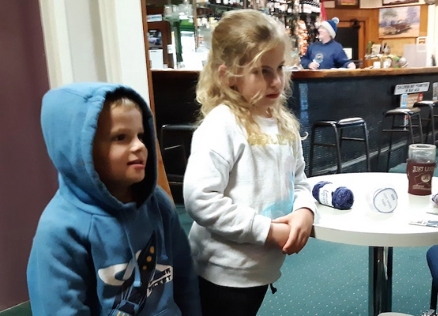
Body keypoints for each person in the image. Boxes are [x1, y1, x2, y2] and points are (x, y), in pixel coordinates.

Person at [183, 10, 317, 316]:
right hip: (220, 274)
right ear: (228, 75)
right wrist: (267, 231)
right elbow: (200, 199)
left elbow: (299, 180)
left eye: (280, 67)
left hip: (259, 269)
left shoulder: (283, 124)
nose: (277, 81)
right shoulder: (222, 125)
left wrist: (304, 211)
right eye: (262, 71)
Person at [27, 83, 202, 315]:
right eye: (121, 137)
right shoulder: (59, 229)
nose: (139, 146)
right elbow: (61, 309)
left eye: (140, 135)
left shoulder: (157, 203)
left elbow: (184, 275)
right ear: (82, 149)